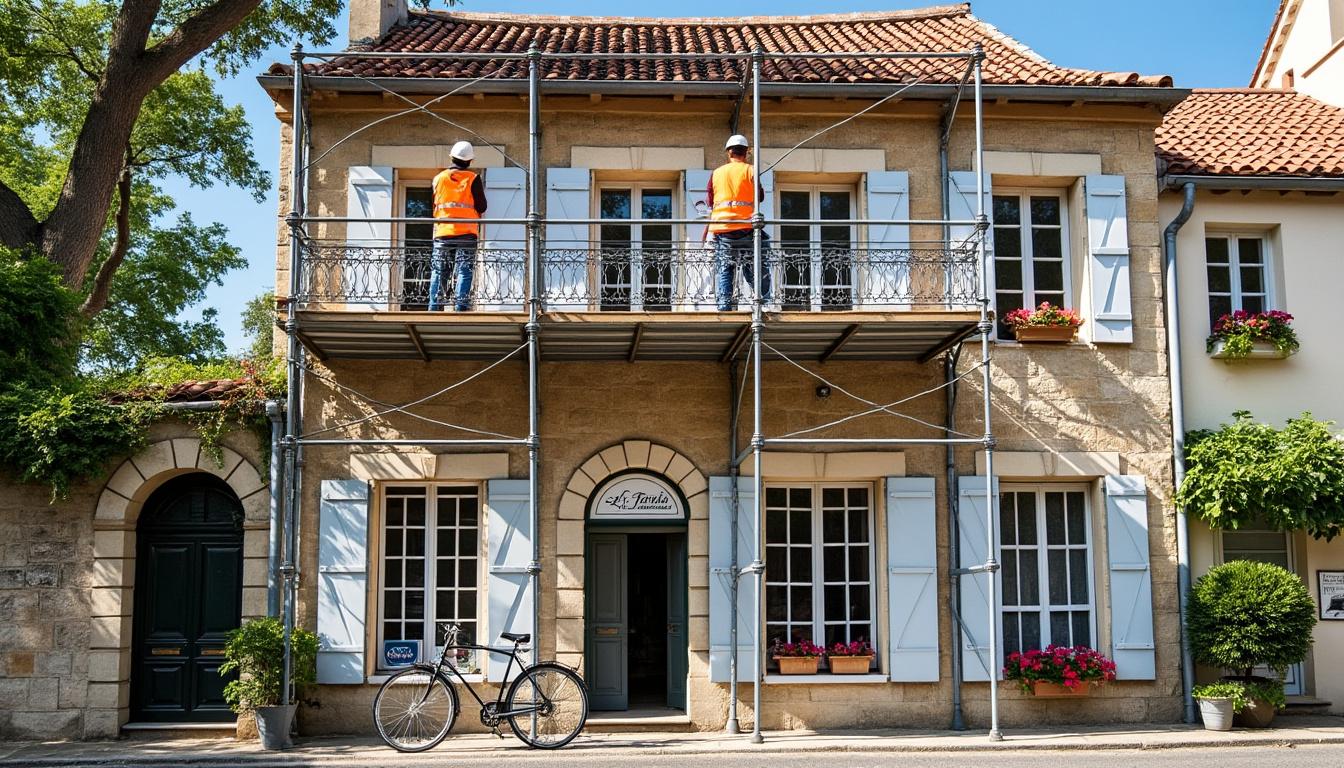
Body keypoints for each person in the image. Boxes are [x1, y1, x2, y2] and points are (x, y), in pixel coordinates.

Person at [708, 134, 769, 311]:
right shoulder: (750, 170)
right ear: (746, 153)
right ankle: (763, 302)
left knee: (725, 268)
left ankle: (724, 306)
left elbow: (710, 200)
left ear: (729, 153)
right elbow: (760, 196)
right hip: (747, 228)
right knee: (754, 265)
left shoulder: (717, 173)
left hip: (724, 228)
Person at [428, 141, 488, 311]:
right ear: (470, 161)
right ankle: (461, 307)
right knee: (464, 270)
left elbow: (431, 205)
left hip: (443, 232)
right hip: (466, 233)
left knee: (439, 271)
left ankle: (435, 307)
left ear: (451, 157)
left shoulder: (438, 179)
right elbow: (482, 207)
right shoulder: (473, 178)